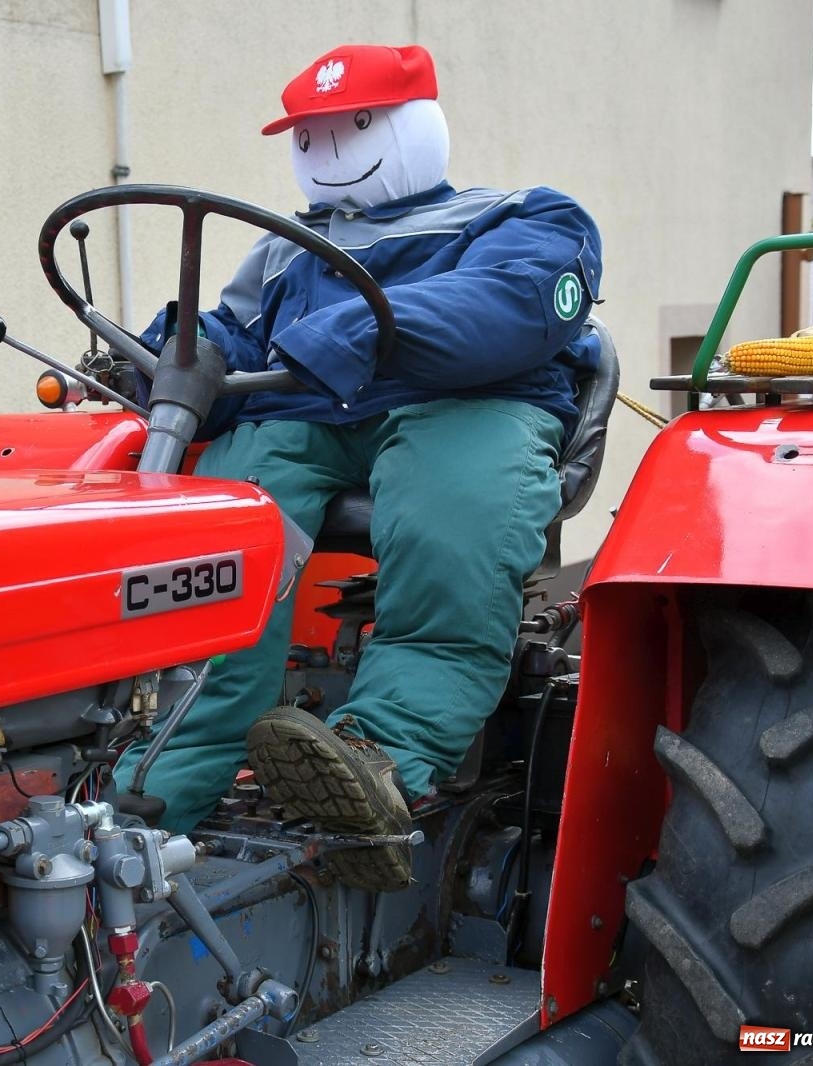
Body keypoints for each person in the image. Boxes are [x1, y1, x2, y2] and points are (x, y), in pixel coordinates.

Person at [112, 43, 603, 891]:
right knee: (221, 522)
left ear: (414, 125)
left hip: (470, 402)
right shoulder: (285, 249)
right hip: (307, 412)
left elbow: (508, 306)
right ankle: (159, 781)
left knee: (454, 514)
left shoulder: (523, 216)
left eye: (357, 126)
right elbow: (235, 329)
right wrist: (175, 349)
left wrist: (353, 331)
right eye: (312, 133)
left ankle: (380, 756)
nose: (331, 147)